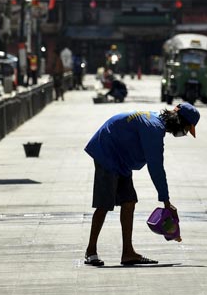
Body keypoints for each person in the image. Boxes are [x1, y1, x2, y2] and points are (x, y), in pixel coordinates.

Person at [83, 103, 199, 267]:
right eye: (186, 128)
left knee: (129, 201)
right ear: (178, 120)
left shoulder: (156, 123)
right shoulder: (153, 129)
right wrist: (166, 201)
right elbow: (156, 167)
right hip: (107, 151)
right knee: (104, 204)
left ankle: (128, 253)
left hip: (121, 158)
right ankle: (91, 251)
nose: (184, 133)